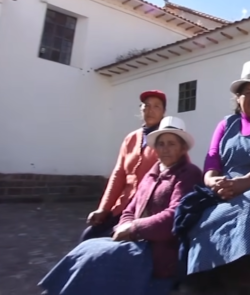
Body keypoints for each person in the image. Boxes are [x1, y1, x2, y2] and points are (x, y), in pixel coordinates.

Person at [38, 117, 203, 295]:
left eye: (171, 144)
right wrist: (125, 225)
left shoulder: (189, 174)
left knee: (98, 258)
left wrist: (134, 228)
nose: (165, 149)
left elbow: (175, 215)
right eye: (161, 144)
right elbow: (130, 208)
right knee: (87, 247)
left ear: (182, 148)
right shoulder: (152, 174)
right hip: (136, 241)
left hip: (160, 250)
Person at [185, 60, 250, 285]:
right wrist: (212, 181)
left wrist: (246, 181)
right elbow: (212, 157)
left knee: (248, 208)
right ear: (238, 97)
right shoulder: (225, 125)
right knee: (203, 217)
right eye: (248, 92)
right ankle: (204, 281)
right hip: (226, 186)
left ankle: (244, 277)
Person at [81, 90, 166, 242]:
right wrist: (104, 209)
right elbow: (118, 174)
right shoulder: (131, 138)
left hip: (147, 209)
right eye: (146, 106)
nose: (150, 110)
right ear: (141, 110)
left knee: (114, 244)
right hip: (123, 206)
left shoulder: (168, 139)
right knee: (90, 235)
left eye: (156, 106)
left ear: (163, 112)